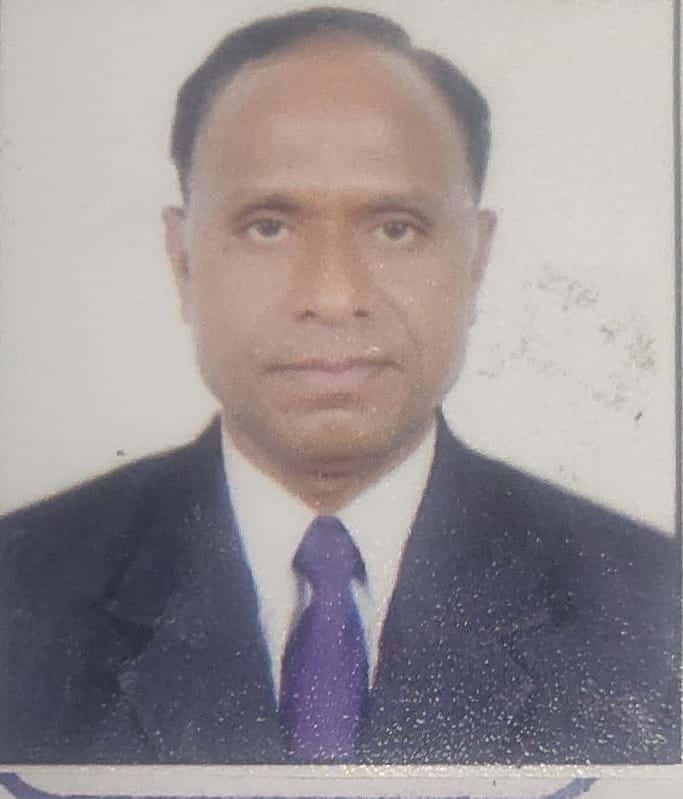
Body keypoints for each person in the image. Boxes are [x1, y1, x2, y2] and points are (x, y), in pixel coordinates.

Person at [0, 6, 679, 766]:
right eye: (268, 226)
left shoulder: (655, 609)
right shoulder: (19, 596)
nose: (331, 295)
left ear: (476, 258)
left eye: (395, 228)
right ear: (182, 258)